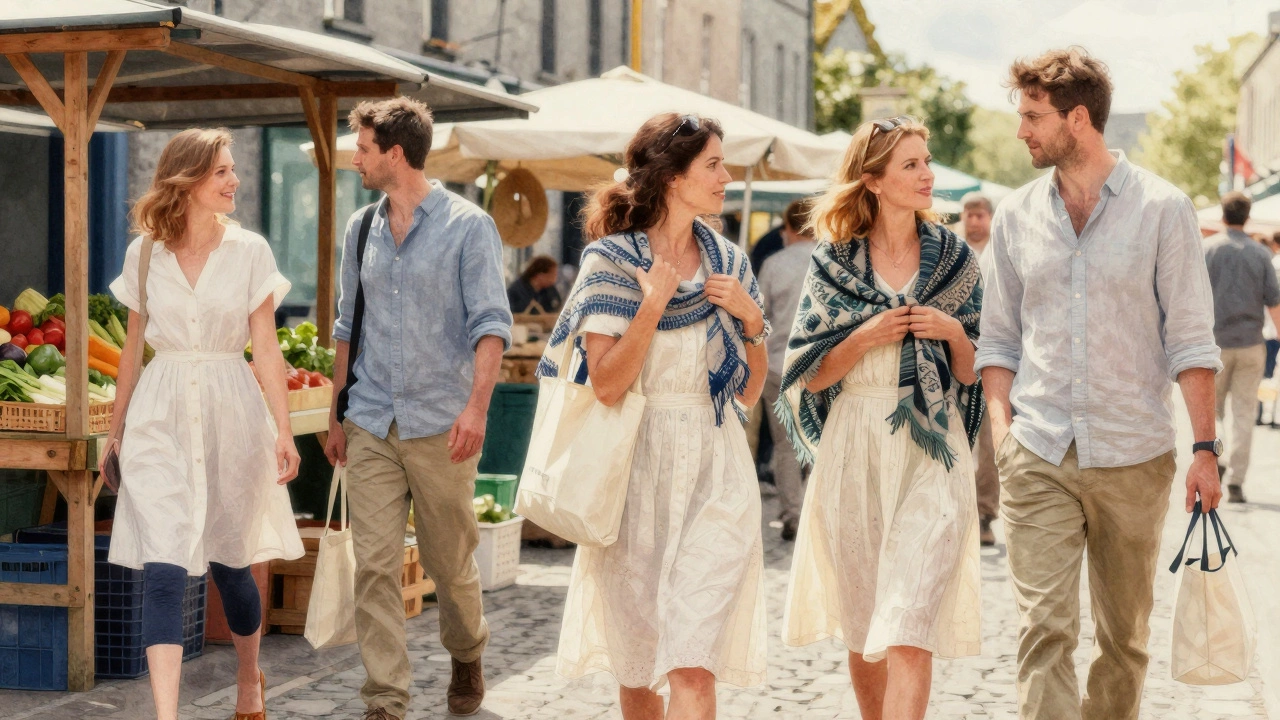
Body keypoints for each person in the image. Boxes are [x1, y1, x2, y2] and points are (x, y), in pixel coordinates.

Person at [977, 48, 1222, 720]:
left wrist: (1205, 448)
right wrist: (1004, 437)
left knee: (1125, 640)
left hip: (1134, 456)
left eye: (1032, 116)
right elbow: (996, 339)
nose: (1021, 130)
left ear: (1077, 119)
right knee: (1043, 631)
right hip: (1040, 452)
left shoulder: (1164, 209)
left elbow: (1191, 340)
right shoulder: (1015, 216)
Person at [546, 112, 770, 719]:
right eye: (714, 165)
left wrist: (752, 322)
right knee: (640, 662)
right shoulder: (610, 263)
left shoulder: (729, 262)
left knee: (694, 661)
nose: (727, 176)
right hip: (634, 471)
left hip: (716, 469)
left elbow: (748, 393)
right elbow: (609, 385)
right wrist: (652, 305)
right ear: (673, 177)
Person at [777, 116, 984, 720]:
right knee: (866, 624)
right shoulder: (834, 262)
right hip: (855, 447)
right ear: (873, 181)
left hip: (933, 448)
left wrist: (951, 332)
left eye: (927, 161)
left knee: (911, 624)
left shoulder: (956, 259)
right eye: (911, 165)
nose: (928, 175)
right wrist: (863, 337)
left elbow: (973, 373)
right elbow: (808, 374)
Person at [103, 128, 304, 720]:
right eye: (221, 171)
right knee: (164, 565)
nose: (235, 180)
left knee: (231, 564)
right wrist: (114, 434)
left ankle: (249, 675)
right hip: (159, 416)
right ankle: (167, 714)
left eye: (233, 169)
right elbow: (133, 350)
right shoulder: (143, 254)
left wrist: (284, 432)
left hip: (231, 413)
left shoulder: (250, 252)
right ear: (186, 179)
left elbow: (266, 350)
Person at [323, 98, 512, 720]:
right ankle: (386, 697)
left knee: (450, 565)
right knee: (374, 564)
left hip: (442, 422)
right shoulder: (359, 229)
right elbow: (347, 326)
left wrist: (477, 410)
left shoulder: (469, 226)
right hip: (372, 418)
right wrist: (335, 412)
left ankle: (466, 651)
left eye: (363, 149)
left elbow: (490, 326)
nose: (356, 159)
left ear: (394, 154)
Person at [1203, 192, 1280, 503]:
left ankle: (1217, 459)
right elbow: (1274, 302)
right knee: (1244, 413)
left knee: (1213, 410)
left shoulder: (1207, 249)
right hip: (1250, 343)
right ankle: (1236, 480)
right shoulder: (1261, 254)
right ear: (1248, 218)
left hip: (1214, 344)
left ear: (1222, 216)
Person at [757, 198, 816, 541]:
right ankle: (814, 510)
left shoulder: (774, 264)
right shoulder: (832, 261)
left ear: (787, 227)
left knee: (786, 446)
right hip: (825, 363)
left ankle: (793, 514)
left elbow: (758, 316)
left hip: (778, 363)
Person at [955, 191, 1000, 545]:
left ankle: (984, 513)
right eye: (969, 215)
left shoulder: (1002, 252)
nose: (974, 221)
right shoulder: (950, 252)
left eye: (980, 215)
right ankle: (953, 509)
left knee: (989, 444)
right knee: (954, 436)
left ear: (989, 218)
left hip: (994, 359)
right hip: (954, 358)